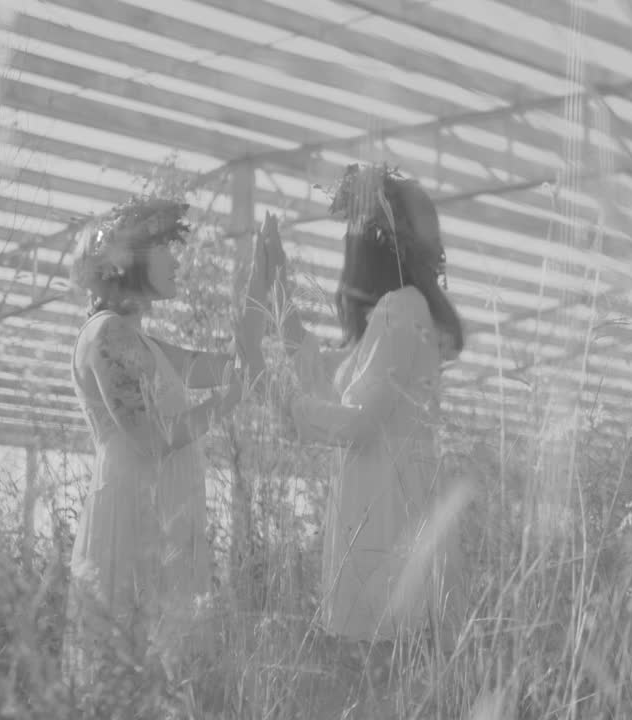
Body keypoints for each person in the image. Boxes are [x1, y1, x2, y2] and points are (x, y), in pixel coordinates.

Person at [62, 196, 274, 684]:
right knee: (132, 660)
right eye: (164, 250)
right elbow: (149, 441)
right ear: (131, 259)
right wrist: (230, 400)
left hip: (157, 509)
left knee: (159, 665)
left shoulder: (142, 341)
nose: (176, 260)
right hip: (132, 513)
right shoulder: (106, 334)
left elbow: (218, 365)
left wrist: (259, 308)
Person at [266, 164, 468, 668]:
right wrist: (277, 290)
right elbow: (325, 370)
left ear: (374, 244)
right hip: (387, 493)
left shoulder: (401, 309)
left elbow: (358, 420)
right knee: (391, 660)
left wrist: (291, 410)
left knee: (389, 656)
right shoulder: (395, 313)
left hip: (388, 502)